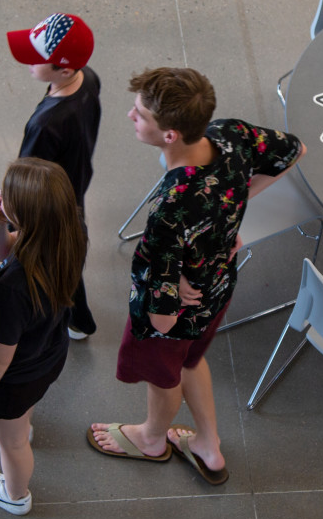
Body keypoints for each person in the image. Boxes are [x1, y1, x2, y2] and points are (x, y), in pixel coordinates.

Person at [89, 67, 305, 486]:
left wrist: (165, 292)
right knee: (191, 359)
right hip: (218, 286)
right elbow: (294, 150)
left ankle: (151, 439)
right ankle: (207, 444)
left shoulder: (172, 206)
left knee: (164, 372)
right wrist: (230, 206)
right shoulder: (229, 133)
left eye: (139, 114)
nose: (130, 117)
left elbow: (163, 321)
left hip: (178, 308)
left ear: (170, 135)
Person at [0, 13, 100, 345]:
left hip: (44, 204)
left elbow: (28, 178)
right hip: (73, 189)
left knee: (28, 268)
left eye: (37, 59)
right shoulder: (88, 78)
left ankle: (3, 325)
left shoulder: (46, 127)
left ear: (64, 69)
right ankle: (78, 319)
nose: (28, 63)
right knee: (68, 253)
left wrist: (9, 213)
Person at [0, 158, 87, 515]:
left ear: (28, 217)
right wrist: (2, 225)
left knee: (12, 445)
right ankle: (20, 424)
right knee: (20, 417)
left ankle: (14, 495)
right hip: (47, 352)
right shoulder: (69, 232)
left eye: (7, 196)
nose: (0, 197)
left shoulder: (13, 286)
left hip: (14, 376)